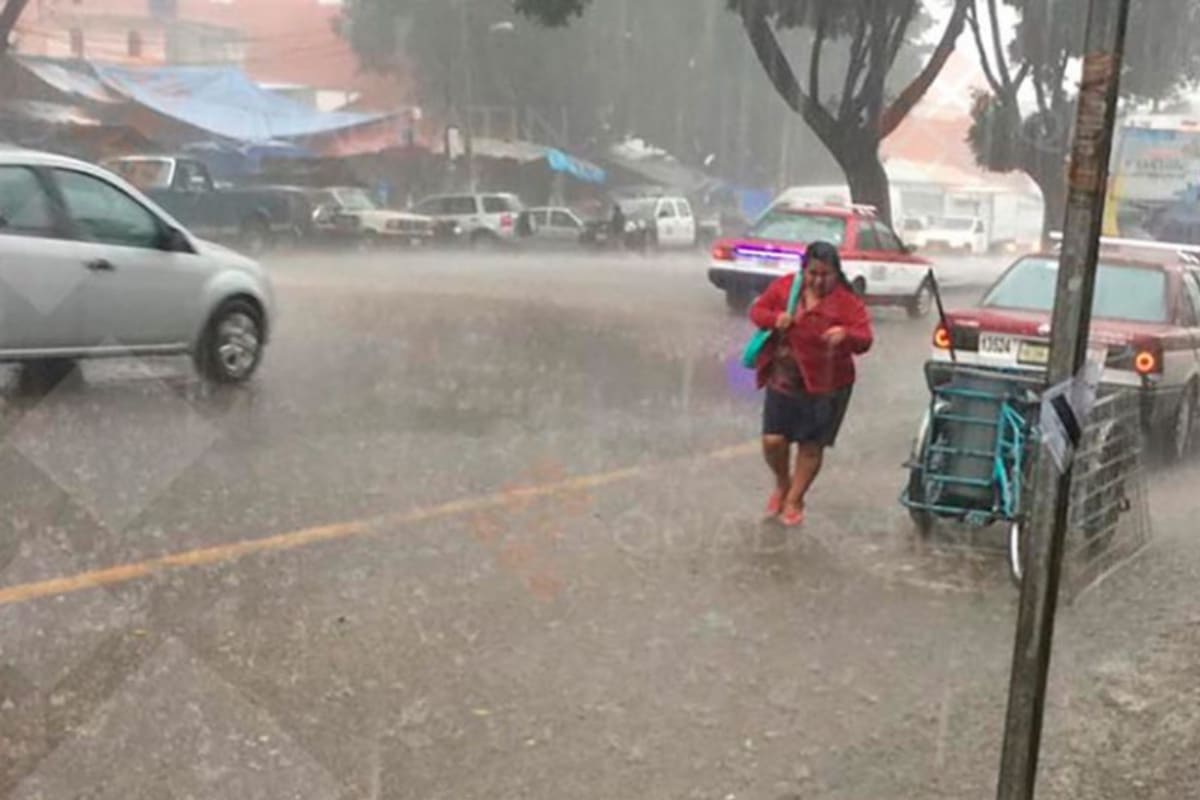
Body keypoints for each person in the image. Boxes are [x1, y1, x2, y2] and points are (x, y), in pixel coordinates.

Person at [748, 241, 873, 526]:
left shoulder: (846, 302)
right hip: (784, 380)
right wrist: (774, 318)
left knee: (811, 445)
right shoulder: (785, 288)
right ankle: (783, 483)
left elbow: (865, 339)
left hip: (828, 385)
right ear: (804, 270)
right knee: (773, 440)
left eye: (825, 275)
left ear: (836, 273)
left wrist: (846, 334)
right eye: (813, 273)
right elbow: (757, 313)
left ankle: (794, 499)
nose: (818, 280)